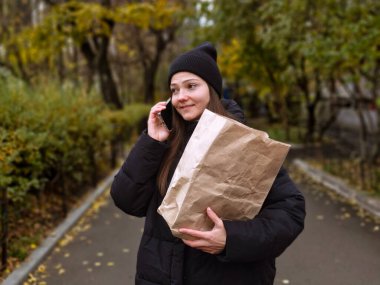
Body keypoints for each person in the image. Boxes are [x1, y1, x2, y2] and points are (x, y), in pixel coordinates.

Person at [111, 42, 305, 285]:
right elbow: (126, 200)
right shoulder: (165, 144)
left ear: (212, 90)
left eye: (191, 86)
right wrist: (151, 142)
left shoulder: (244, 143)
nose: (181, 97)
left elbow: (290, 212)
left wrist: (230, 240)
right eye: (174, 90)